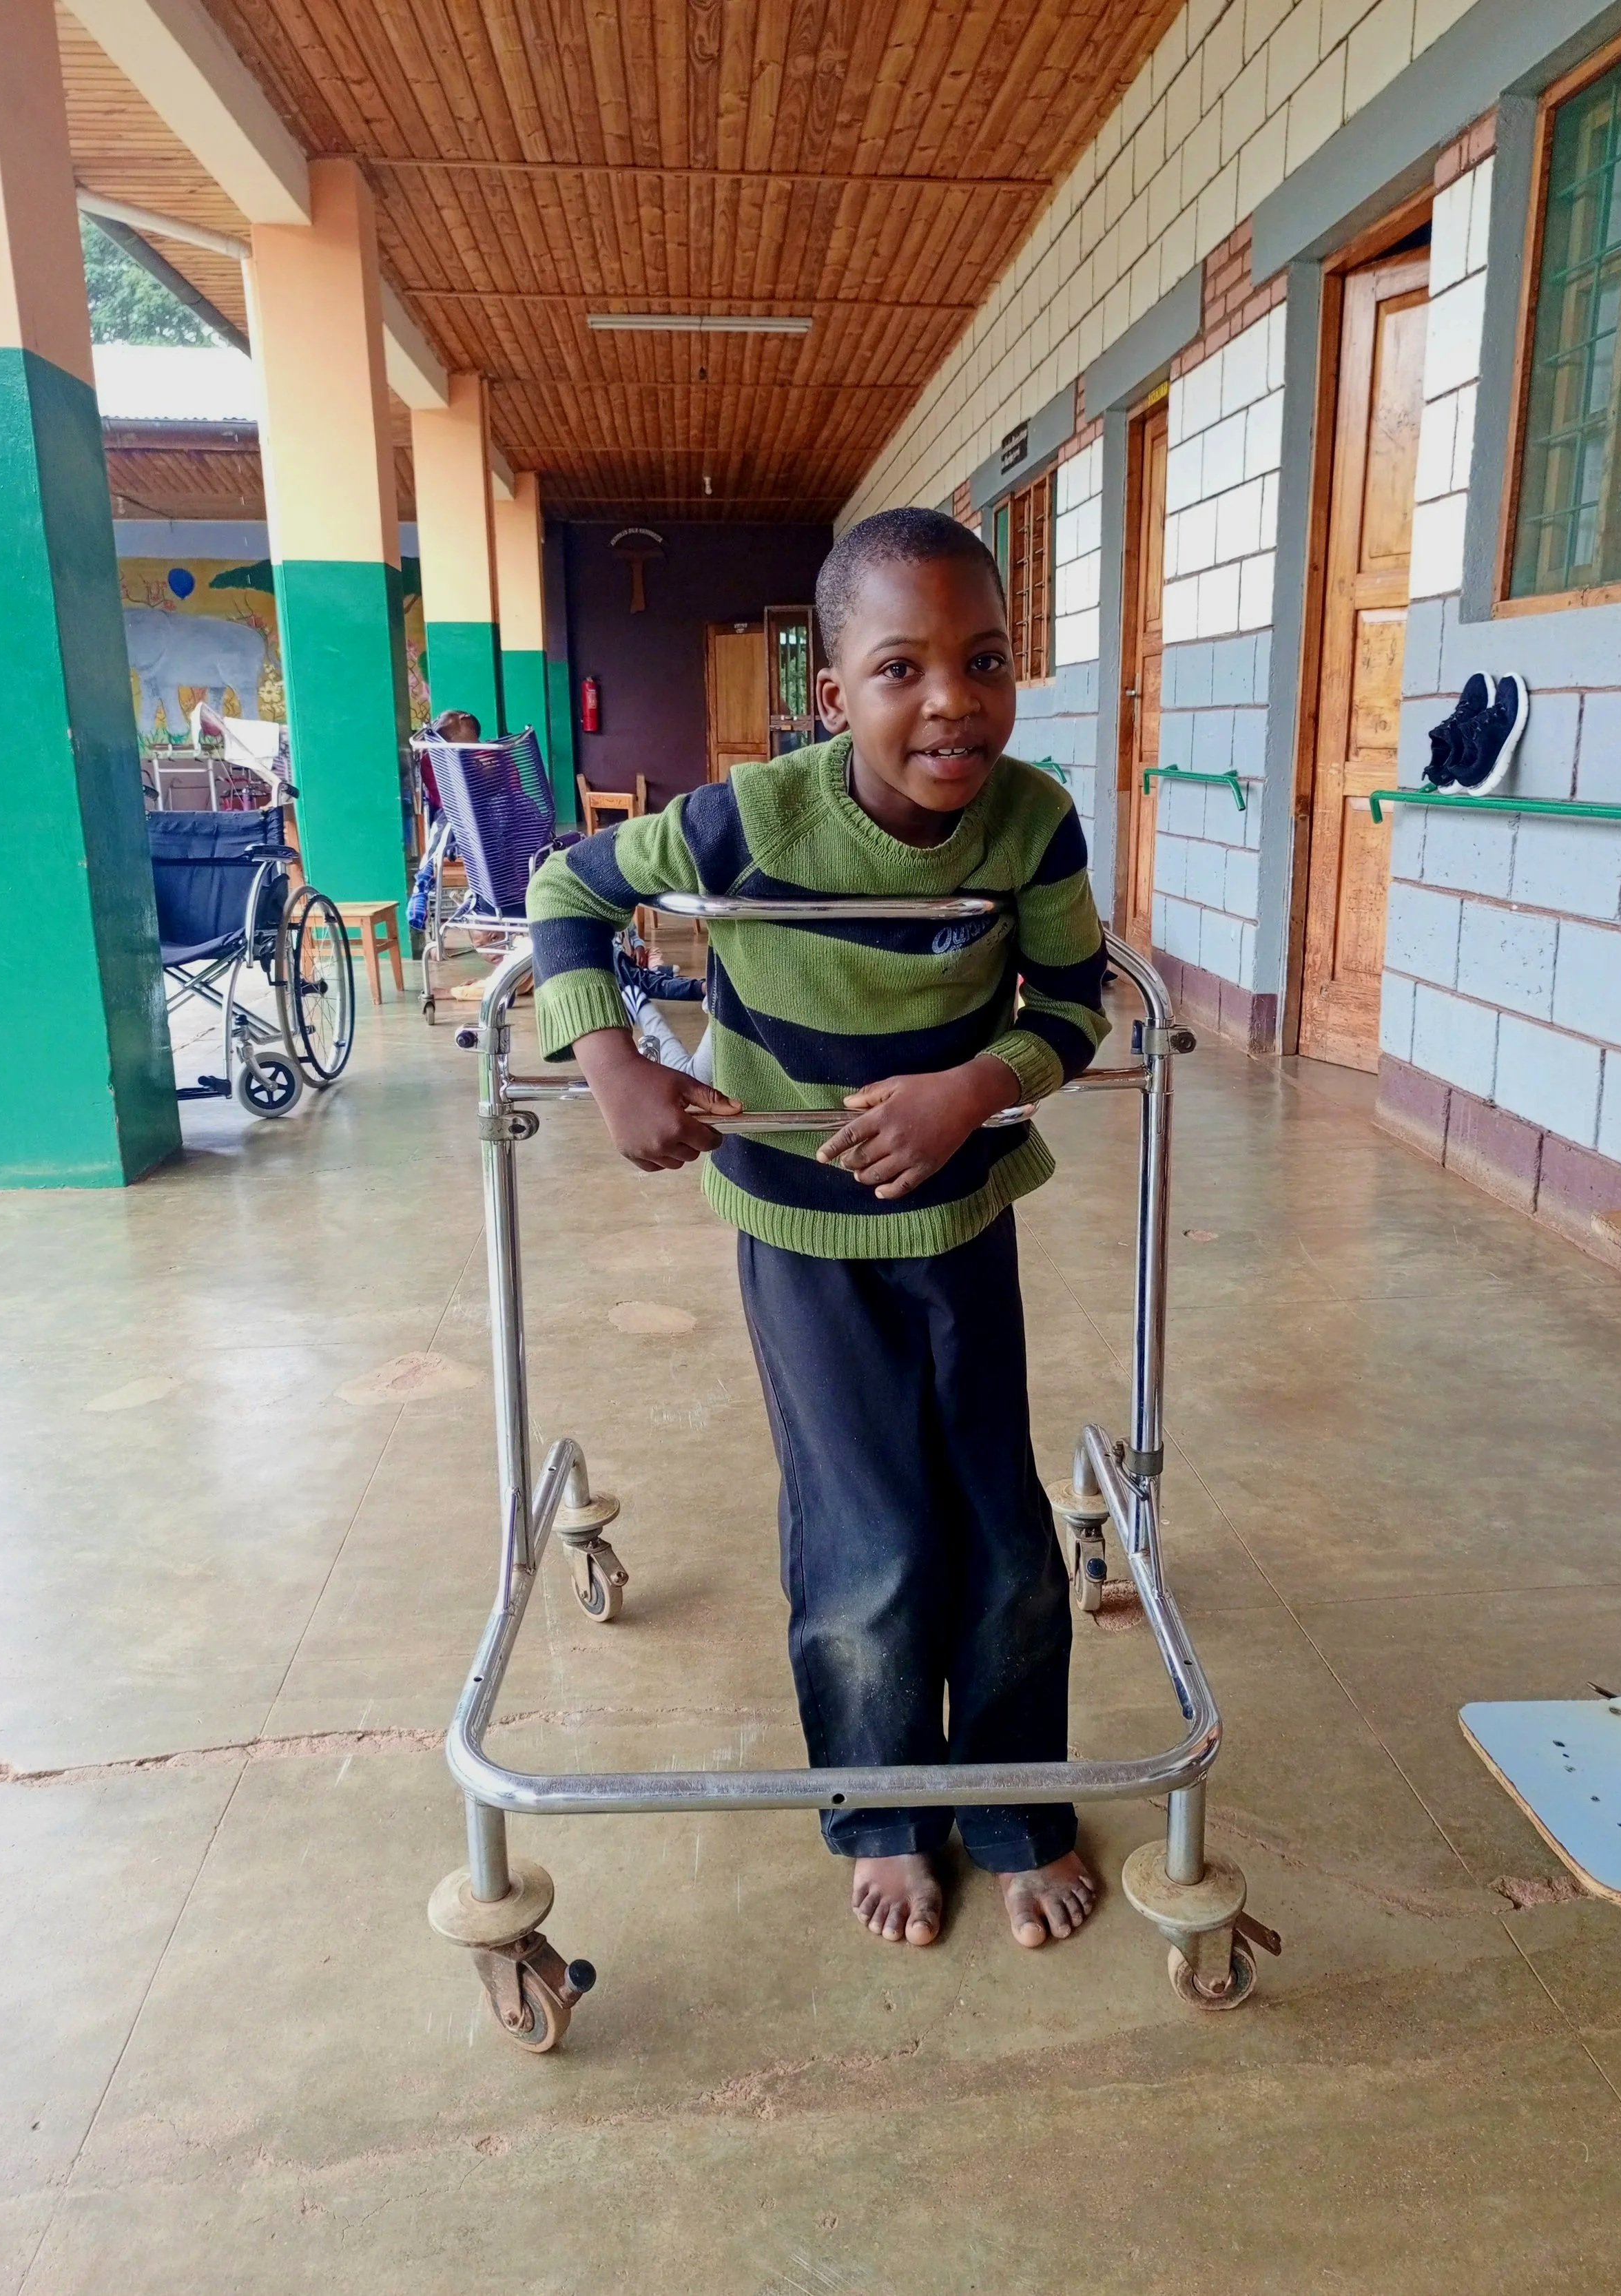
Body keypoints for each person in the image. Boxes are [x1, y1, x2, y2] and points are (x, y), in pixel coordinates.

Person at [524, 508, 1109, 1950]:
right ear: (831, 692)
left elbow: (1077, 1005)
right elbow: (563, 889)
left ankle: (1016, 1804)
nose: (949, 700)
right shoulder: (748, 820)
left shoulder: (1030, 818)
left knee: (1002, 1528)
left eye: (981, 659)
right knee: (871, 1535)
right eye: (899, 667)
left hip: (960, 1204)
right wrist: (614, 1057)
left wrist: (973, 1085)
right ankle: (883, 1804)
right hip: (797, 1221)